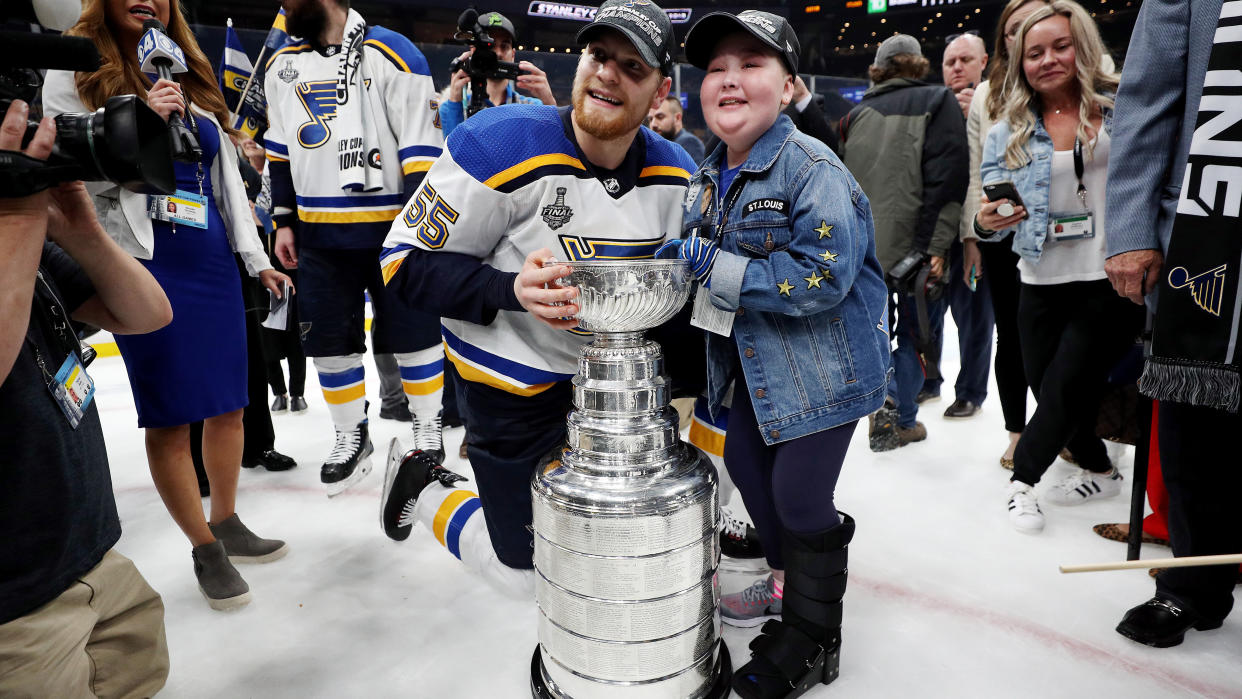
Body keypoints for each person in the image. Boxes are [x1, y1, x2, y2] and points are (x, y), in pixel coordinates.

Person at [377, 0, 694, 595]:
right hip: (511, 390)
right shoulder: (495, 145)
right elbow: (403, 264)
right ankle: (425, 488)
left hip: (614, 397)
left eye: (632, 67)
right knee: (522, 573)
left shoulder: (677, 174)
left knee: (604, 549)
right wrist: (508, 289)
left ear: (660, 90)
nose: (607, 73)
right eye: (599, 56)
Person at [44, 0, 291, 611]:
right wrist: (137, 127)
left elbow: (226, 180)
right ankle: (204, 546)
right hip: (140, 263)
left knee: (230, 405)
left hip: (209, 261)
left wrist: (255, 256)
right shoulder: (71, 70)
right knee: (172, 414)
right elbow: (60, 175)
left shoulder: (186, 70)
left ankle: (227, 518)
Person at [671, 12, 889, 697]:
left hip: (825, 370)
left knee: (799, 494)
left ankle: (815, 635)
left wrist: (719, 267)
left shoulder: (810, 166)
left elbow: (823, 275)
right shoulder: (708, 173)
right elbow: (697, 264)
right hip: (757, 371)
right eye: (715, 68)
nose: (730, 77)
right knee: (743, 462)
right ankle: (791, 586)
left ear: (790, 85)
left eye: (753, 63)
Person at [0, 101, 172, 698]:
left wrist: (81, 229)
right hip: (15, 607)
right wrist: (19, 217)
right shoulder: (12, 228)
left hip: (91, 554)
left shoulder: (18, 233)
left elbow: (147, 313)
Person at [975, 0, 1143, 534]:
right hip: (1040, 276)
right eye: (1034, 52)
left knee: (1068, 381)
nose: (1047, 60)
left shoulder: (1124, 107)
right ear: (1020, 62)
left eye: (1060, 46)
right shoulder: (1008, 129)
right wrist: (985, 223)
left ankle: (1022, 483)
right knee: (1050, 386)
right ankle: (1098, 467)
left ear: (1083, 46)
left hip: (1109, 273)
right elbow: (990, 209)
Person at [265, 0, 446, 494]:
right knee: (325, 340)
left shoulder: (395, 52)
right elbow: (279, 152)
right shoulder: (282, 64)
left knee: (414, 332)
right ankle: (350, 434)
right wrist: (283, 221)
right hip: (318, 234)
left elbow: (422, 150)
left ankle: (427, 426)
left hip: (392, 227)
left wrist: (416, 231)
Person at [1105, 0, 1242, 647]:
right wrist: (1132, 228)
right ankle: (1192, 584)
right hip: (1208, 232)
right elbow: (1146, 100)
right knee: (1195, 425)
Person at [839, 34, 968, 450]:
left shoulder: (856, 114)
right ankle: (899, 413)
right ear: (917, 63)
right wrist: (935, 247)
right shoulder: (938, 100)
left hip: (864, 251)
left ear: (879, 68)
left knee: (878, 333)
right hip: (917, 250)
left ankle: (884, 407)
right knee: (916, 336)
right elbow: (947, 179)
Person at [965, 0, 1050, 468]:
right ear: (1003, 40)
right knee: (1010, 337)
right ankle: (1017, 432)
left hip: (1069, 237)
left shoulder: (1084, 77)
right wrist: (972, 235)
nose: (1025, 36)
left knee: (1062, 340)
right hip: (1003, 236)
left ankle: (1072, 431)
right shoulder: (986, 95)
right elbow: (976, 174)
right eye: (1015, 29)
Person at [921, 32, 995, 419]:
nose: (956, 68)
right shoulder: (932, 106)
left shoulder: (997, 102)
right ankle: (928, 381)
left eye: (965, 60)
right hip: (936, 230)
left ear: (984, 61)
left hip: (976, 228)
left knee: (974, 316)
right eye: (950, 62)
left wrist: (975, 117)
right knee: (927, 315)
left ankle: (970, 392)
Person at [440, 10, 556, 138]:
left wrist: (549, 102)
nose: (498, 53)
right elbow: (450, 154)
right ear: (473, 51)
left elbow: (553, 147)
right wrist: (455, 104)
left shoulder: (532, 108)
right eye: (490, 45)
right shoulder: (451, 107)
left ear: (513, 55)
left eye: (504, 46)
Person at [650, 94, 706, 163]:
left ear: (677, 118)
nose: (653, 124)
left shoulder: (689, 142)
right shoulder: (664, 146)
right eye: (650, 119)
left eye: (660, 117)